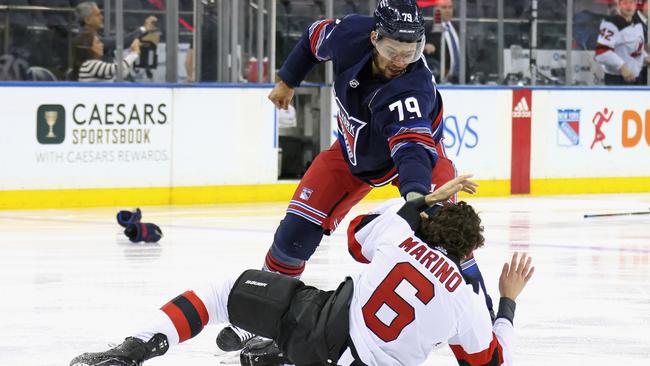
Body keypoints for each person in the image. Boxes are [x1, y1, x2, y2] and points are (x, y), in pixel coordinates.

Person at [216, 0, 495, 351]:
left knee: (446, 234)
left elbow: (410, 152)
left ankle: (483, 320)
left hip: (419, 162)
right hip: (353, 154)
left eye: (411, 52)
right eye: (393, 49)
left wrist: (417, 199)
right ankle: (261, 314)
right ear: (374, 37)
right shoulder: (349, 33)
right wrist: (288, 80)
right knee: (293, 236)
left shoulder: (412, 87)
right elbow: (312, 39)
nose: (400, 61)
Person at [68, 175, 535, 366]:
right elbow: (491, 362)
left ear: (431, 226)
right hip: (353, 357)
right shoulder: (467, 301)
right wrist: (508, 299)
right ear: (469, 249)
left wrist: (425, 201)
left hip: (319, 328)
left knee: (222, 291)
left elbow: (356, 235)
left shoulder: (399, 237)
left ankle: (136, 350)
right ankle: (272, 357)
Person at [75, 1, 157, 63]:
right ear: (87, 20)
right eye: (97, 15)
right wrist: (143, 29)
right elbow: (118, 42)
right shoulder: (86, 39)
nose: (102, 17)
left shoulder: (97, 34)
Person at [595, 0, 650, 85]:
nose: (629, 6)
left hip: (637, 79)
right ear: (619, 5)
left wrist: (645, 58)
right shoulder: (610, 23)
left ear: (636, 5)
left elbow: (635, 49)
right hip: (617, 80)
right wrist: (622, 66)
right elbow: (601, 53)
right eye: (625, 3)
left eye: (631, 3)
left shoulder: (638, 24)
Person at [70, 31, 140, 82]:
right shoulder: (90, 65)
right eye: (98, 42)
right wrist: (134, 53)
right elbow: (118, 68)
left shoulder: (92, 65)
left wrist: (131, 52)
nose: (102, 45)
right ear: (89, 48)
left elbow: (121, 73)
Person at [424, 0, 461, 83]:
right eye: (444, 7)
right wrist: (425, 47)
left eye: (450, 7)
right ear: (436, 9)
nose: (448, 10)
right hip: (438, 80)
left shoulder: (459, 28)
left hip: (459, 80)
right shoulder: (428, 28)